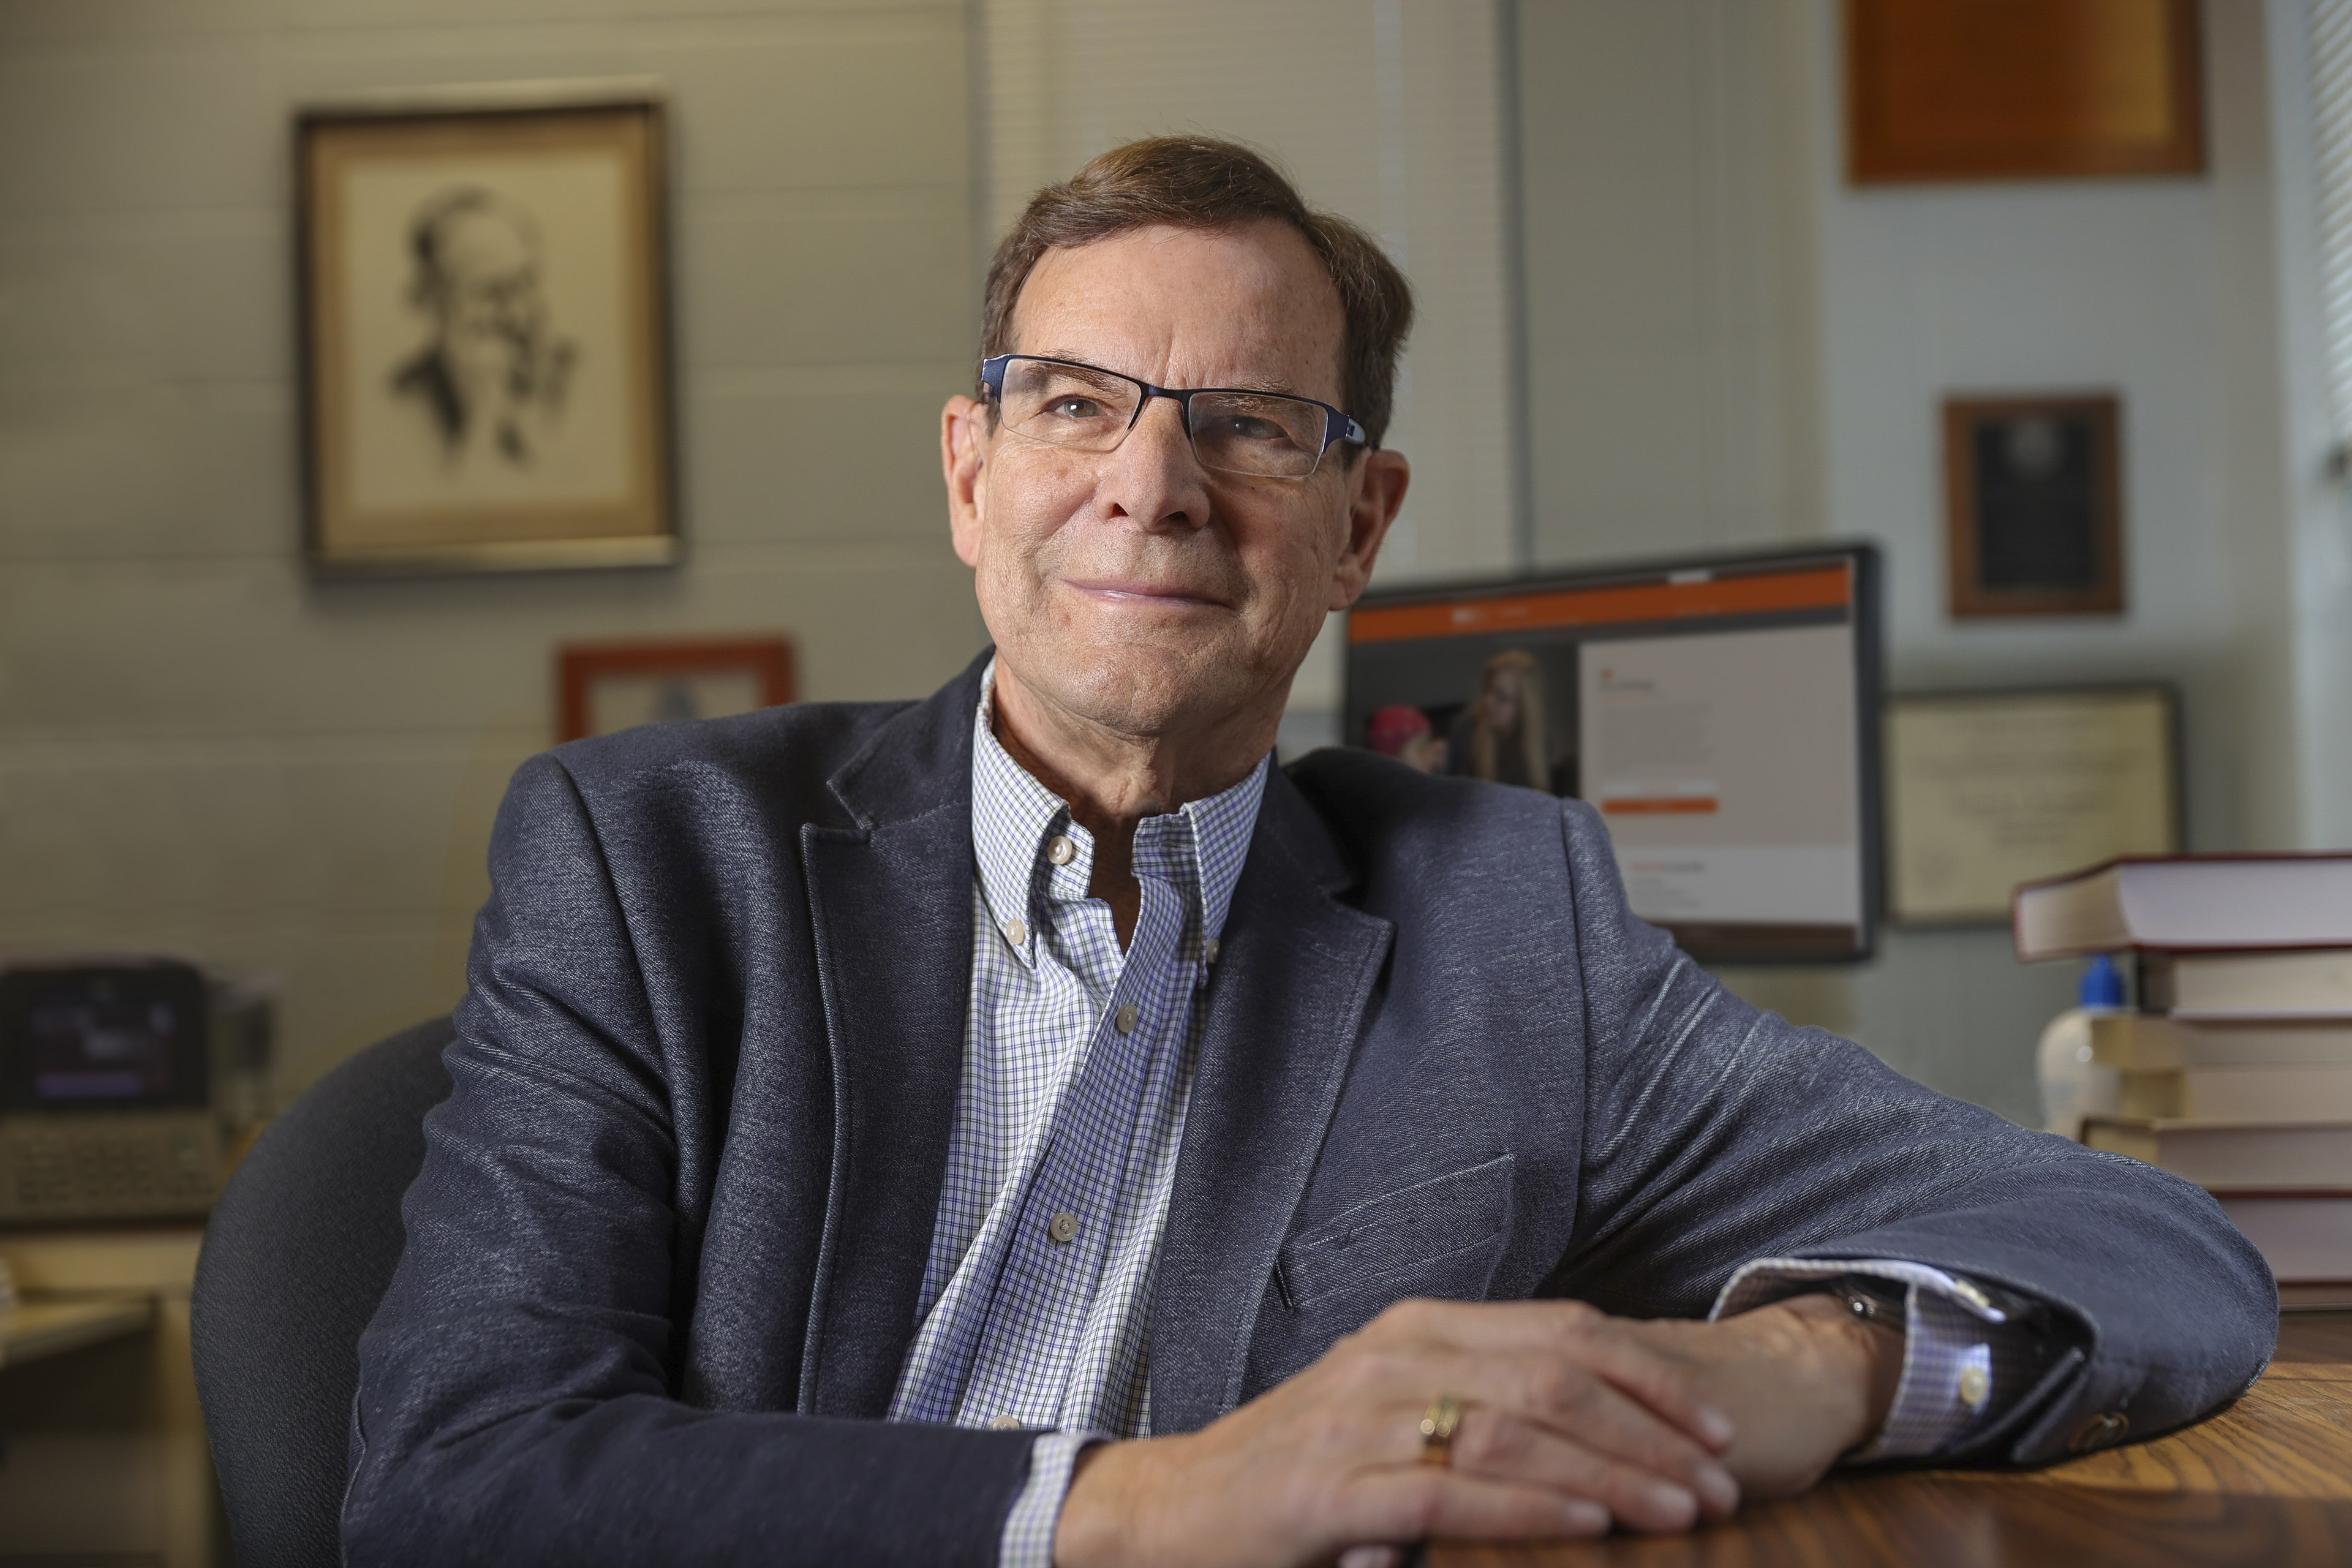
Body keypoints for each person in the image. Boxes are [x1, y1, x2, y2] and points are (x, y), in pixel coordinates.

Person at [344, 137, 2272, 1568]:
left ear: (1359, 524)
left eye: (1251, 427)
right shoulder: (651, 858)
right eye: (1076, 403)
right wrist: (1152, 1501)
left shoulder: (1512, 922)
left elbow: (2147, 1245)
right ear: (968, 472)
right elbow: (458, 1476)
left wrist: (1789, 1368)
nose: (1149, 485)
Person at [390, 186, 576, 468]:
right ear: (433, 301)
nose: (516, 314)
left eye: (525, 284)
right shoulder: (405, 400)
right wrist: (484, 420)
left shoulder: (577, 375)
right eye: (489, 293)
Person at [1452, 649, 1562, 793]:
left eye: (1502, 697)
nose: (1488, 701)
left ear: (1524, 709)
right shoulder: (1466, 734)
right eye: (1488, 690)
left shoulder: (1542, 746)